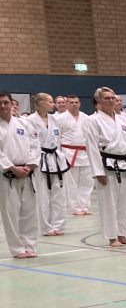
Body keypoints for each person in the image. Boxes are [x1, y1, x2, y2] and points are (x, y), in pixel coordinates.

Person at [83, 86, 126, 247]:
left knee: (125, 203)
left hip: (125, 163)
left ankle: (123, 234)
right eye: (106, 98)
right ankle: (112, 237)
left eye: (113, 98)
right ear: (98, 101)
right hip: (106, 165)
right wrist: (98, 172)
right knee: (108, 203)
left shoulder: (124, 119)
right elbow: (92, 147)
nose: (111, 100)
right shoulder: (92, 120)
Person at [0, 91, 39, 258]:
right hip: (7, 174)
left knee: (30, 212)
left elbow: (35, 145)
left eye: (6, 102)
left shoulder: (24, 123)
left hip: (27, 172)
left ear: (11, 103)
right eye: (0, 103)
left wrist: (30, 166)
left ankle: (29, 245)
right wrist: (11, 167)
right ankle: (17, 249)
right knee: (11, 213)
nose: (3, 106)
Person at [27, 93, 68, 236]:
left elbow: (58, 141)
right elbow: (29, 143)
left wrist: (60, 156)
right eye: (50, 102)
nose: (53, 104)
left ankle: (58, 224)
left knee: (58, 193)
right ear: (39, 103)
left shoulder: (55, 119)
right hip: (39, 159)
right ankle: (46, 227)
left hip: (55, 159)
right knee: (43, 195)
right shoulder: (29, 121)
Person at [57, 94, 93, 216]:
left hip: (85, 153)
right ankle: (74, 207)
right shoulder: (60, 118)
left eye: (76, 102)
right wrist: (59, 154)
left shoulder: (86, 118)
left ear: (79, 104)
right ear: (66, 104)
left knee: (87, 182)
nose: (74, 104)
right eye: (71, 102)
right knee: (71, 183)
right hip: (68, 153)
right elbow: (57, 138)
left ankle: (84, 206)